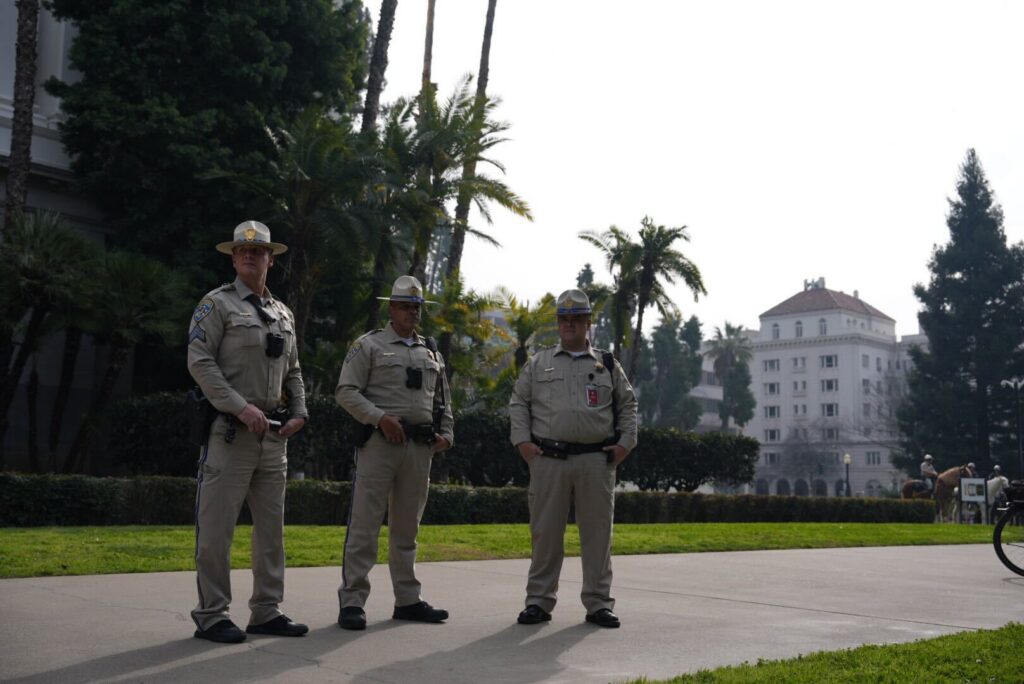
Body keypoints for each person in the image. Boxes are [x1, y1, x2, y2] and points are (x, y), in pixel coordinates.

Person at [187, 220, 309, 643]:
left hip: (274, 437)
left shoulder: (283, 313)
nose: (250, 256)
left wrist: (300, 411)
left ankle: (267, 610)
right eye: (243, 251)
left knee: (271, 531)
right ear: (233, 258)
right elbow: (200, 362)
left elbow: (293, 370)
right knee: (216, 530)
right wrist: (240, 407)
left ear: (270, 259)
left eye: (258, 251)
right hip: (230, 433)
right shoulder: (216, 304)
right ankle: (212, 614)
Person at [509, 288, 638, 629]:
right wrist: (522, 442)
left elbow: (627, 405)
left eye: (576, 319)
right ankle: (538, 601)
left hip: (596, 461)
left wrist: (626, 443)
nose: (569, 324)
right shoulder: (539, 363)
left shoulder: (607, 364)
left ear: (588, 322)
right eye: (564, 319)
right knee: (545, 535)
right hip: (548, 459)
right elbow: (518, 402)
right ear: (558, 323)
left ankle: (599, 603)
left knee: (597, 537)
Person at [335, 275, 455, 630]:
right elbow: (345, 391)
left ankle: (407, 599)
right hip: (379, 444)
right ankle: (352, 601)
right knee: (365, 525)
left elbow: (443, 399)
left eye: (416, 307)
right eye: (404, 306)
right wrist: (379, 418)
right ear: (391, 309)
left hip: (419, 448)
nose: (411, 312)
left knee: (407, 528)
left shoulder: (431, 351)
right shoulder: (369, 345)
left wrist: (447, 432)